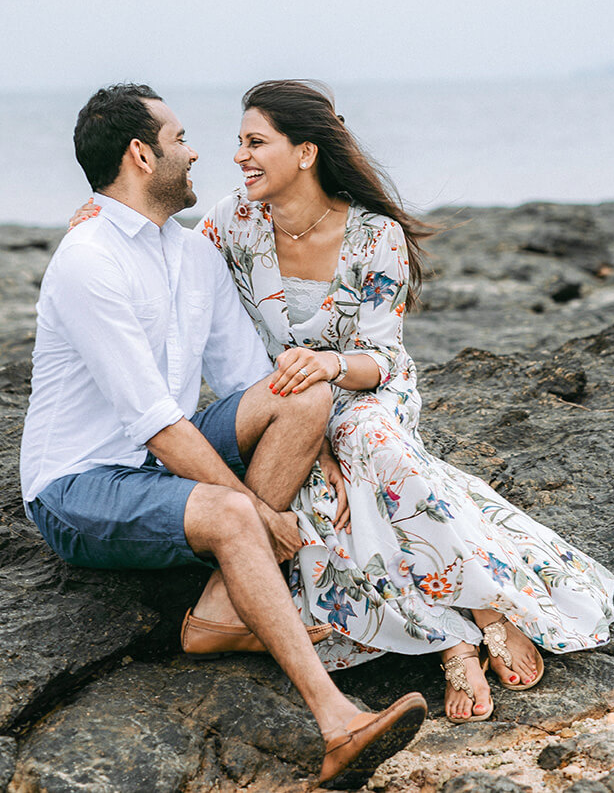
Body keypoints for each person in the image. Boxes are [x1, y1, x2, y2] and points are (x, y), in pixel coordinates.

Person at [21, 84, 427, 787]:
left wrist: (325, 453)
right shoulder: (90, 260)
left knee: (304, 395)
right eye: (179, 138)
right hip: (78, 483)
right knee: (234, 511)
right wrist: (259, 512)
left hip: (154, 465)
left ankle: (218, 607)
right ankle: (338, 724)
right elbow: (154, 421)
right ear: (142, 156)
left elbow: (250, 379)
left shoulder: (192, 253)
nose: (197, 149)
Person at [196, 79, 614, 724]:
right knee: (322, 494)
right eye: (240, 143)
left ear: (304, 152)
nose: (239, 157)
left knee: (369, 442)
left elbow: (383, 356)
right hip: (286, 410)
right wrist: (101, 214)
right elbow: (165, 254)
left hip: (366, 391)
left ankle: (483, 605)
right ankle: (456, 638)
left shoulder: (376, 236)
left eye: (256, 143)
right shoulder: (234, 221)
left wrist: (330, 364)